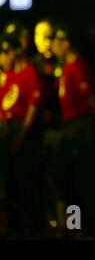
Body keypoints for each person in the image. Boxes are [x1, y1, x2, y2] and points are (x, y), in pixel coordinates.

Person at [49, 23, 95, 237]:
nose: (52, 47)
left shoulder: (77, 66)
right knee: (70, 182)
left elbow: (90, 100)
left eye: (55, 43)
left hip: (81, 128)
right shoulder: (66, 67)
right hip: (71, 129)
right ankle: (75, 227)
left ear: (65, 43)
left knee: (84, 182)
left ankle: (91, 229)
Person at [0, 34, 45, 237]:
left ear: (12, 53)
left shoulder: (30, 73)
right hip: (5, 131)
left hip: (23, 134)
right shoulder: (6, 76)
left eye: (3, 55)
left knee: (25, 183)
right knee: (8, 185)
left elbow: (32, 109)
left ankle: (33, 228)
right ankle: (14, 227)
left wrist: (21, 136)